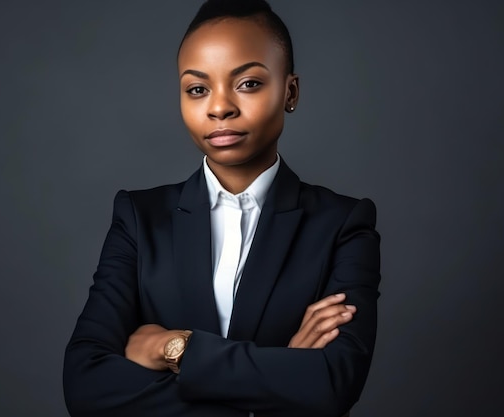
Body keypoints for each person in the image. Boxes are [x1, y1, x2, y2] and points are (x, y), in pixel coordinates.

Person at [63, 1, 381, 416]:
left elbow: (331, 384)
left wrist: (172, 348)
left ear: (290, 92)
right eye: (198, 89)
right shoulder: (139, 218)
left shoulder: (343, 224)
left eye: (247, 83)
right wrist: (277, 382)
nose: (218, 107)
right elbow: (85, 384)